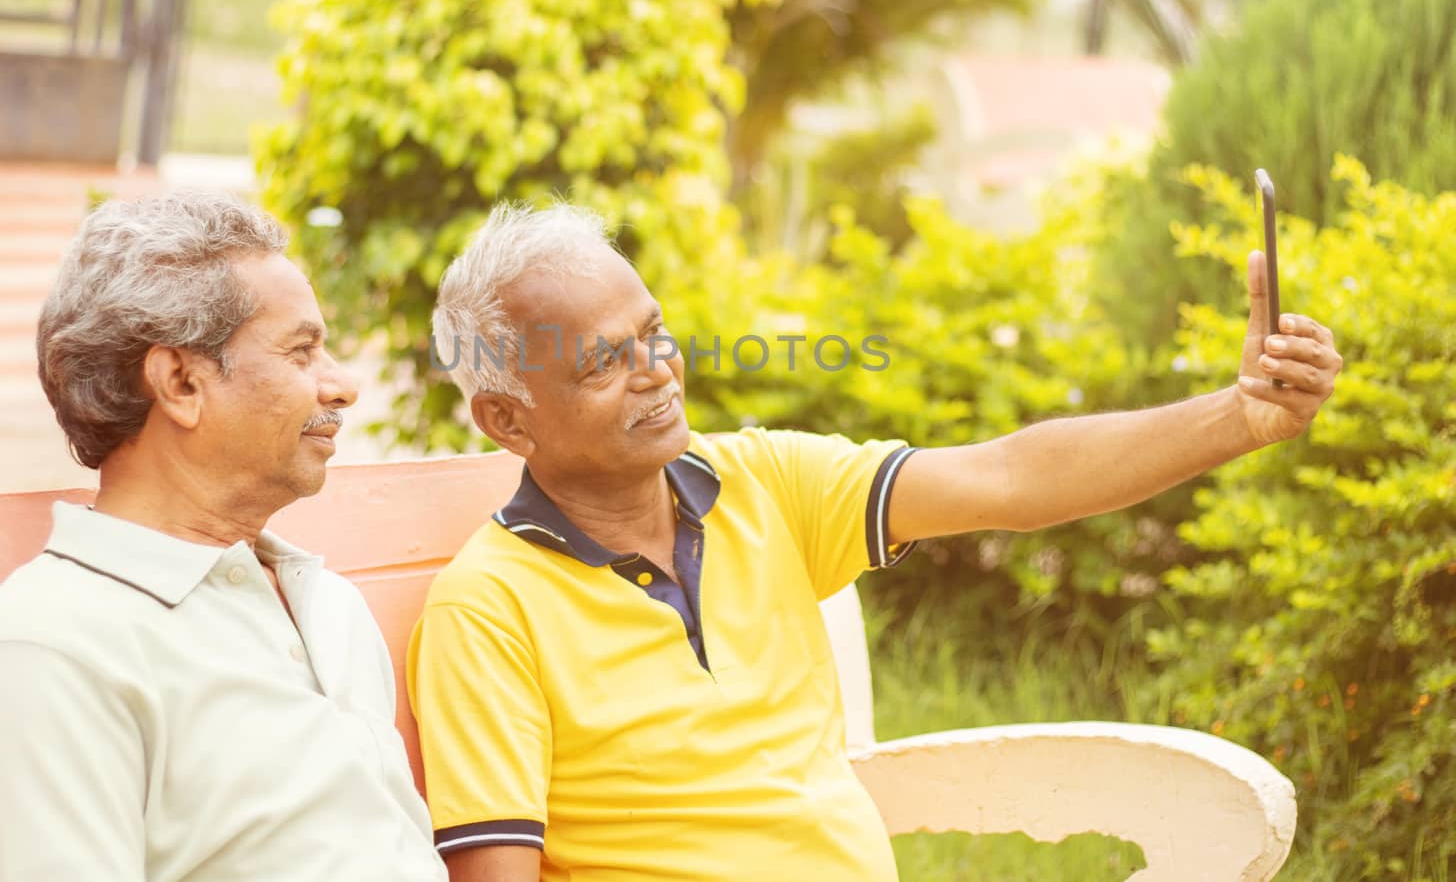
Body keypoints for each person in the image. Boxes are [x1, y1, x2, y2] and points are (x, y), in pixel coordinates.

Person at [407, 201, 1343, 882]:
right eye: (605, 361)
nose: (656, 373)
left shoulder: (760, 480)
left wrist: (1240, 417)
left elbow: (1009, 478)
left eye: (654, 334)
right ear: (506, 417)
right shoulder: (488, 611)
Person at [0, 193, 447, 882]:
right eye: (302, 351)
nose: (344, 384)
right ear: (180, 381)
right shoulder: (46, 649)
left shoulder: (329, 606)